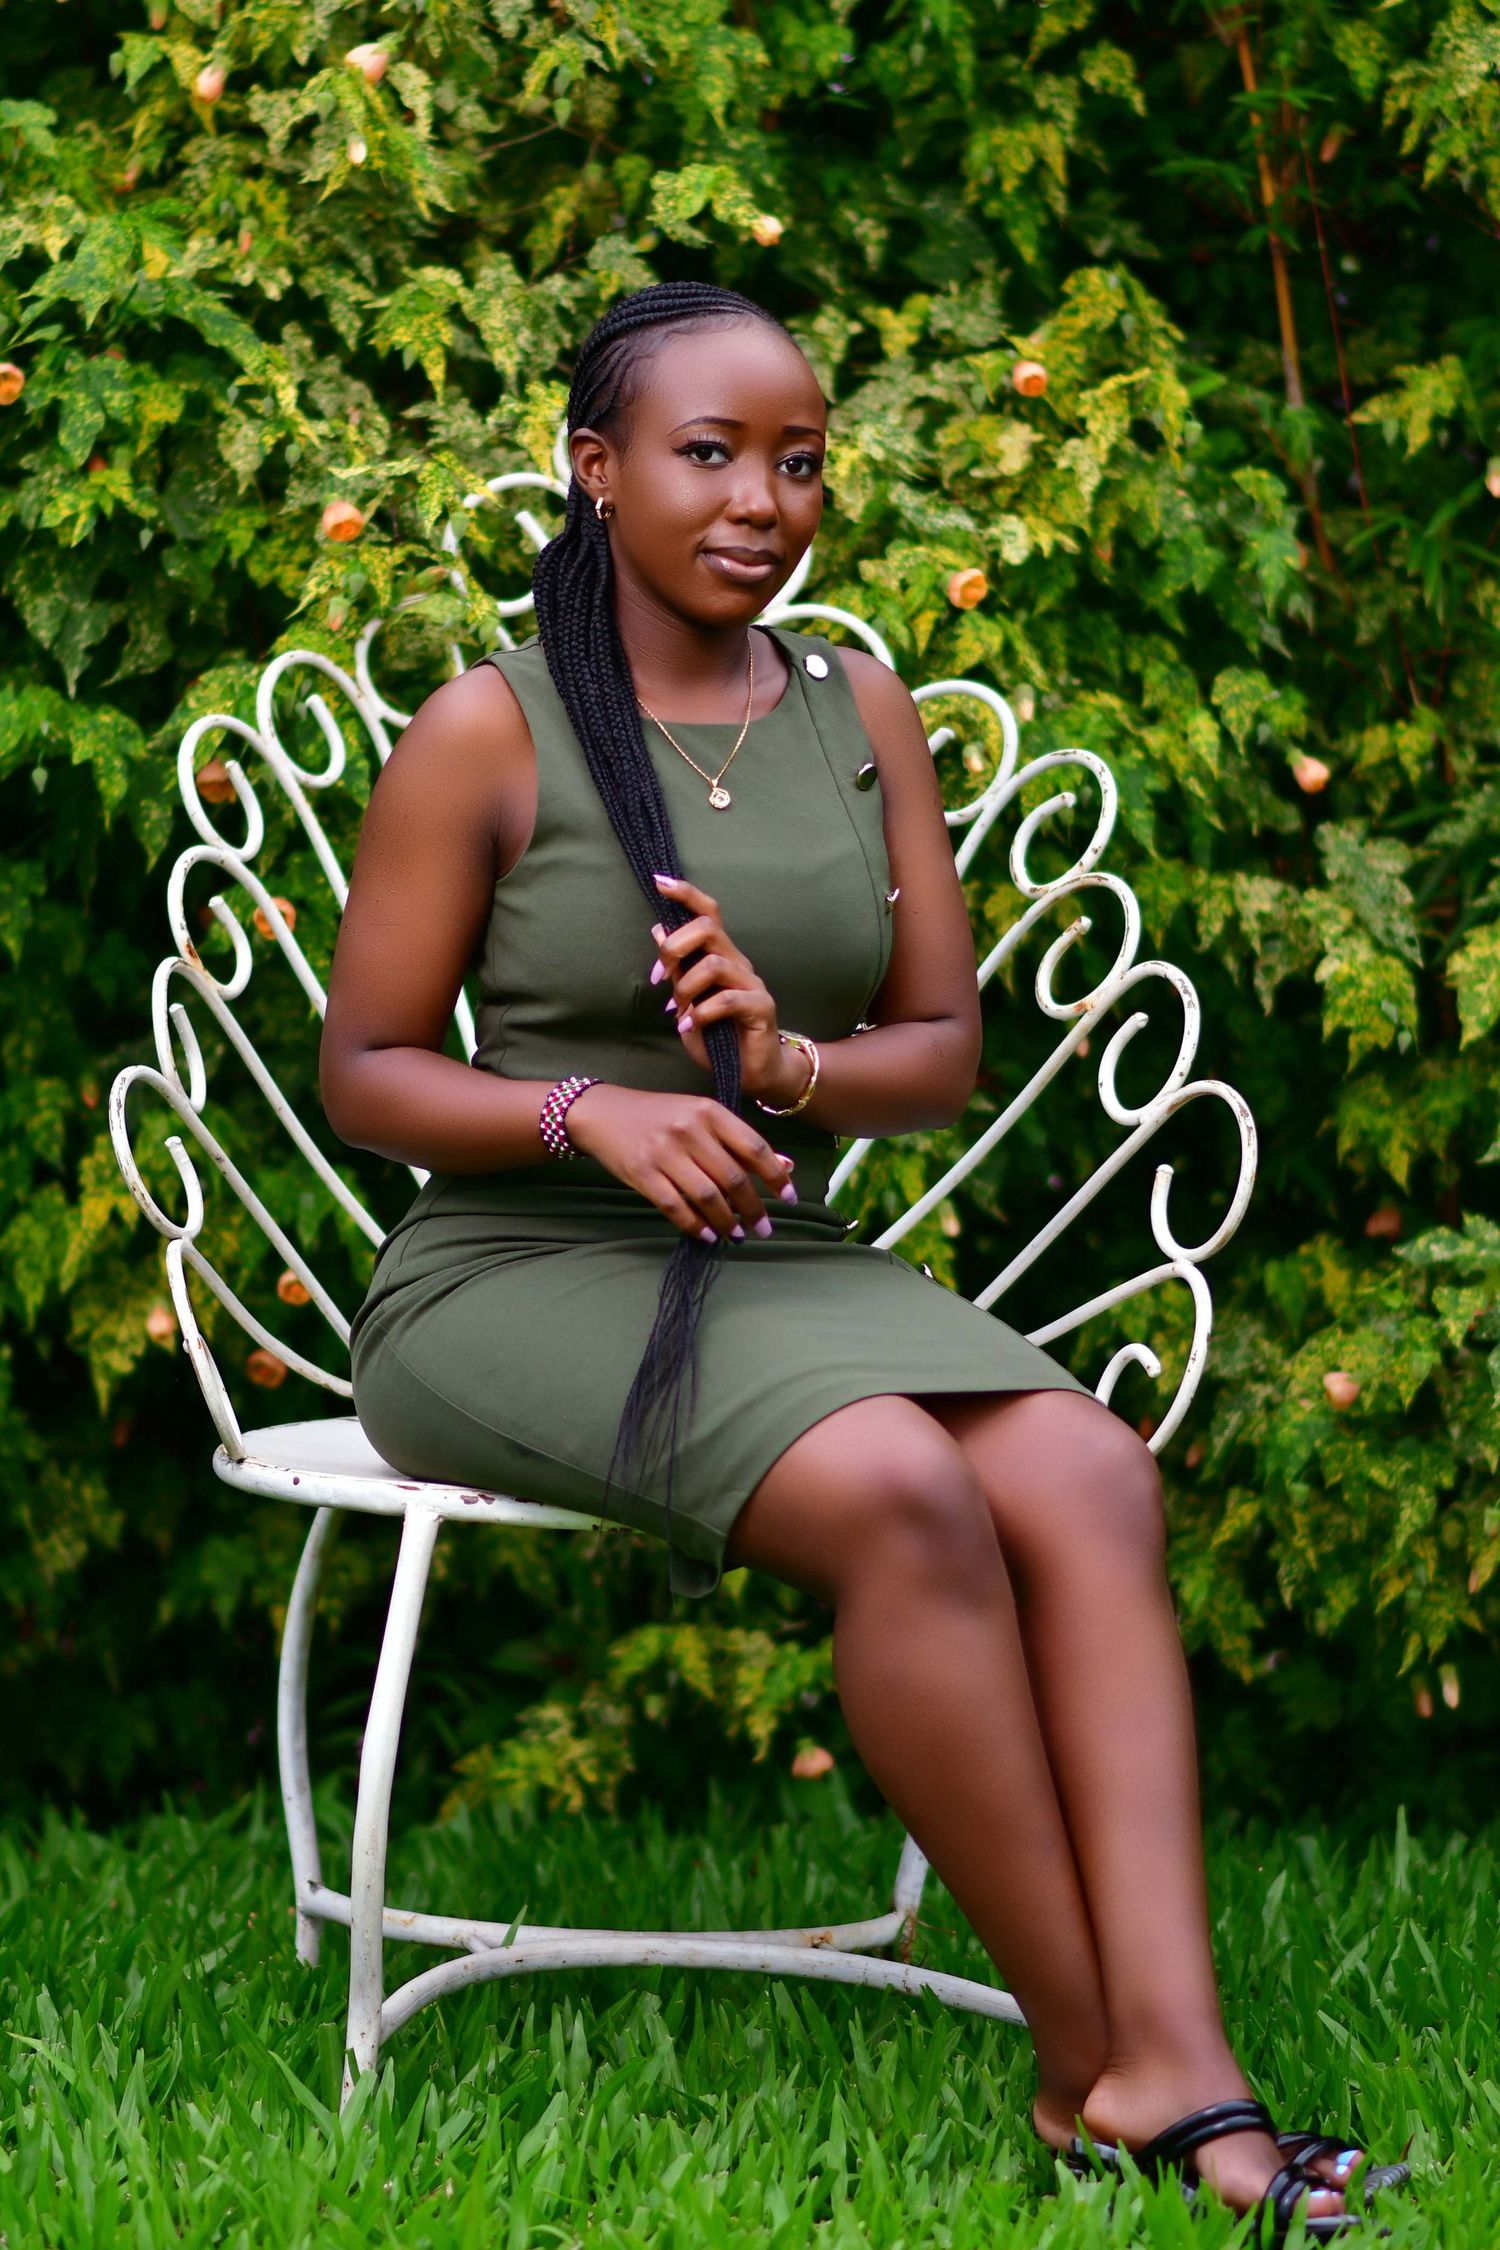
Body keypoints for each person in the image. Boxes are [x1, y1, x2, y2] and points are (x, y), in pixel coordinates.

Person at [319, 281, 1400, 2236]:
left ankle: (1172, 2051)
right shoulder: (491, 727)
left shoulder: (852, 707)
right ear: (597, 469)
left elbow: (939, 1052)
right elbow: (367, 1070)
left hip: (766, 1251)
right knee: (904, 1487)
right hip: (507, 1272)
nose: (763, 499)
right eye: (709, 453)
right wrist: (591, 1111)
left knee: (1089, 1468)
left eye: (799, 461)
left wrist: (786, 1067)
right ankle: (1107, 2067)